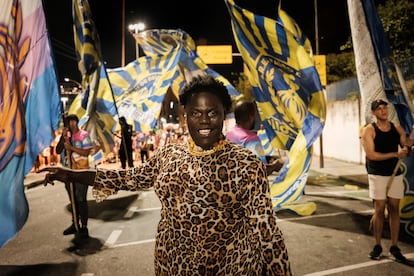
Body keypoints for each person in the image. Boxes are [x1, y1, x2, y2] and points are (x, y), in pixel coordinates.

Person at [42, 75, 291, 275]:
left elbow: (267, 232)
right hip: (173, 264)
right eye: (196, 113)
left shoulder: (246, 163)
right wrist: (72, 175)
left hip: (232, 267)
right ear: (185, 115)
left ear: (223, 114)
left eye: (212, 113)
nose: (204, 121)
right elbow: (126, 178)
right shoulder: (168, 155)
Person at [360, 99, 409, 262]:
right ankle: (378, 245)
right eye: (379, 109)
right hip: (377, 174)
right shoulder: (369, 131)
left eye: (384, 108)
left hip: (395, 174)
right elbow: (372, 155)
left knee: (394, 208)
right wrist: (395, 155)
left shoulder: (396, 128)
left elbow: (406, 144)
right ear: (374, 113)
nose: (383, 111)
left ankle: (394, 246)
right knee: (380, 209)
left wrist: (407, 146)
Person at [55, 114, 93, 239]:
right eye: (68, 123)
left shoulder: (84, 135)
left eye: (73, 122)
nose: (71, 125)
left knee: (81, 199)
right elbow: (58, 150)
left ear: (77, 122)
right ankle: (75, 223)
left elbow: (86, 152)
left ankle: (84, 226)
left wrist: (71, 147)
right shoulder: (67, 137)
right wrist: (63, 138)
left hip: (81, 172)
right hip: (68, 172)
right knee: (73, 199)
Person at [226, 99, 283, 175]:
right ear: (251, 117)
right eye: (255, 115)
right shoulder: (251, 139)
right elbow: (260, 170)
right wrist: (275, 166)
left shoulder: (230, 133)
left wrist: (269, 159)